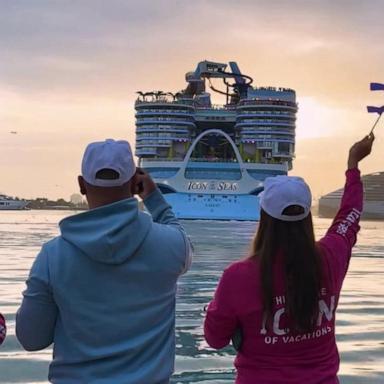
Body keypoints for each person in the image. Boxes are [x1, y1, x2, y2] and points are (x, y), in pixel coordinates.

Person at [16, 139, 192, 383]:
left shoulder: (52, 255)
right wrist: (154, 198)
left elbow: (31, 339)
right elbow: (181, 237)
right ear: (134, 184)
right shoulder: (171, 246)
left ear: (81, 185)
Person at [204, 135, 375, 383]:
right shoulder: (330, 257)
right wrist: (353, 165)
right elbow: (350, 216)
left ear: (264, 218)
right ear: (307, 217)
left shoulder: (238, 277)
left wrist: (214, 309)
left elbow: (215, 339)